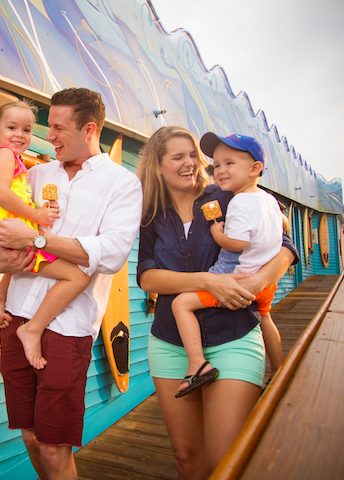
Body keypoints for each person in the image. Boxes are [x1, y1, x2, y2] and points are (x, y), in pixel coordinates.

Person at [0, 88, 142, 479]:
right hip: (15, 320)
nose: (48, 136)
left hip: (67, 328)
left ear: (89, 128)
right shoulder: (34, 173)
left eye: (57, 128)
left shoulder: (122, 183)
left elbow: (113, 251)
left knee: (55, 448)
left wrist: (35, 240)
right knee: (32, 437)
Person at [136, 126, 298, 478]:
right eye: (178, 157)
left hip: (235, 335)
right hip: (170, 343)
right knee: (186, 459)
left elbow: (286, 244)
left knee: (226, 462)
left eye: (193, 154)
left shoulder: (227, 193)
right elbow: (147, 276)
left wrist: (255, 282)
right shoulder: (151, 213)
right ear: (158, 166)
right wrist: (208, 281)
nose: (190, 163)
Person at [170, 133, 286, 398]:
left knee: (181, 304)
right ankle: (279, 371)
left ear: (255, 168)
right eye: (217, 165)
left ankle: (197, 363)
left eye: (229, 163)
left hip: (239, 279)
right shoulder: (268, 199)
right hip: (267, 281)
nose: (220, 171)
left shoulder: (239, 202)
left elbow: (236, 243)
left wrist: (216, 231)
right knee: (266, 318)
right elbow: (284, 225)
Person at [0, 100, 92, 370]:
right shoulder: (5, 155)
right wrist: (37, 217)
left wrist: (37, 212)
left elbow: (11, 199)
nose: (20, 134)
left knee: (29, 261)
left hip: (7, 235)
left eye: (27, 129)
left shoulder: (16, 162)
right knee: (77, 276)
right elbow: (1, 194)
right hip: (7, 237)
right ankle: (32, 329)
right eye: (12, 127)